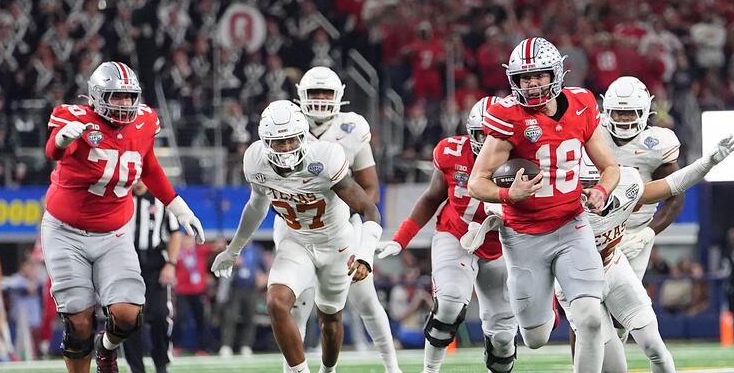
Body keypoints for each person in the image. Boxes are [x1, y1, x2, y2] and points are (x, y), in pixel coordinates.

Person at [468, 37, 620, 372]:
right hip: (523, 236)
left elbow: (610, 168)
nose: (533, 83)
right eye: (525, 78)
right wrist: (509, 195)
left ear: (556, 73)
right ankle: (543, 304)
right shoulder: (509, 116)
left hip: (571, 225)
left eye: (539, 75)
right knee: (535, 337)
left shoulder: (581, 103)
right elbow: (476, 182)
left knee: (590, 318)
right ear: (515, 82)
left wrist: (602, 192)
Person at [41, 61, 205, 373]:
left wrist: (180, 209)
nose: (126, 104)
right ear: (97, 96)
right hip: (66, 231)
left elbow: (151, 166)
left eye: (130, 97)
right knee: (78, 320)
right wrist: (63, 139)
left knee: (129, 315)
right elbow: (54, 152)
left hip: (113, 233)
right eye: (117, 96)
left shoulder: (144, 121)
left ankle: (106, 349)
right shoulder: (74, 117)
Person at [211, 100, 383, 373]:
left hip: (336, 243)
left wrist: (365, 254)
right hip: (297, 241)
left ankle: (328, 371)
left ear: (303, 136)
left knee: (330, 321)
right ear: (265, 141)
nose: (286, 148)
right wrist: (234, 249)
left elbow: (369, 209)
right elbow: (257, 206)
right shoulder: (255, 159)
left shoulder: (326, 157)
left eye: (291, 140)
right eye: (278, 143)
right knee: (276, 303)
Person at [555, 137, 734, 372]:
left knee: (655, 346)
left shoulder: (625, 185)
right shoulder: (555, 203)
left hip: (613, 265)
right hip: (576, 280)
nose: (590, 190)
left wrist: (706, 164)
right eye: (583, 182)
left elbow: (671, 185)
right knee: (614, 366)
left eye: (595, 180)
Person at [377, 97, 518, 373]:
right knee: (450, 303)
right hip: (455, 235)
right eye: (482, 134)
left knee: (502, 337)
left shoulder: (524, 160)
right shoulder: (452, 152)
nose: (488, 142)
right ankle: (430, 370)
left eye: (495, 135)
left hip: (501, 244)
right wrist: (401, 238)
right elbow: (431, 198)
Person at [277, 66, 400, 372]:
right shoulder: (286, 123)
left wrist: (357, 228)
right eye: (314, 93)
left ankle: (392, 368)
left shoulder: (352, 128)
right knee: (298, 303)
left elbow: (369, 187)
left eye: (326, 93)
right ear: (301, 96)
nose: (319, 100)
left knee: (364, 296)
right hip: (297, 225)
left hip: (341, 224)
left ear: (339, 97)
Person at [600, 76, 684, 280]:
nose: (622, 119)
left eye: (630, 113)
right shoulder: (593, 133)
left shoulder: (656, 144)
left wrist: (647, 234)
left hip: (634, 230)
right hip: (594, 228)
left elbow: (676, 196)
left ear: (644, 111)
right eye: (618, 112)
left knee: (623, 300)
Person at [122, 182, 182, 373]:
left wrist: (170, 265)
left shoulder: (161, 199)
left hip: (155, 265)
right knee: (129, 319)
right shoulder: (120, 197)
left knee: (160, 316)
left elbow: (175, 234)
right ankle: (136, 368)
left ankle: (161, 363)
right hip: (127, 265)